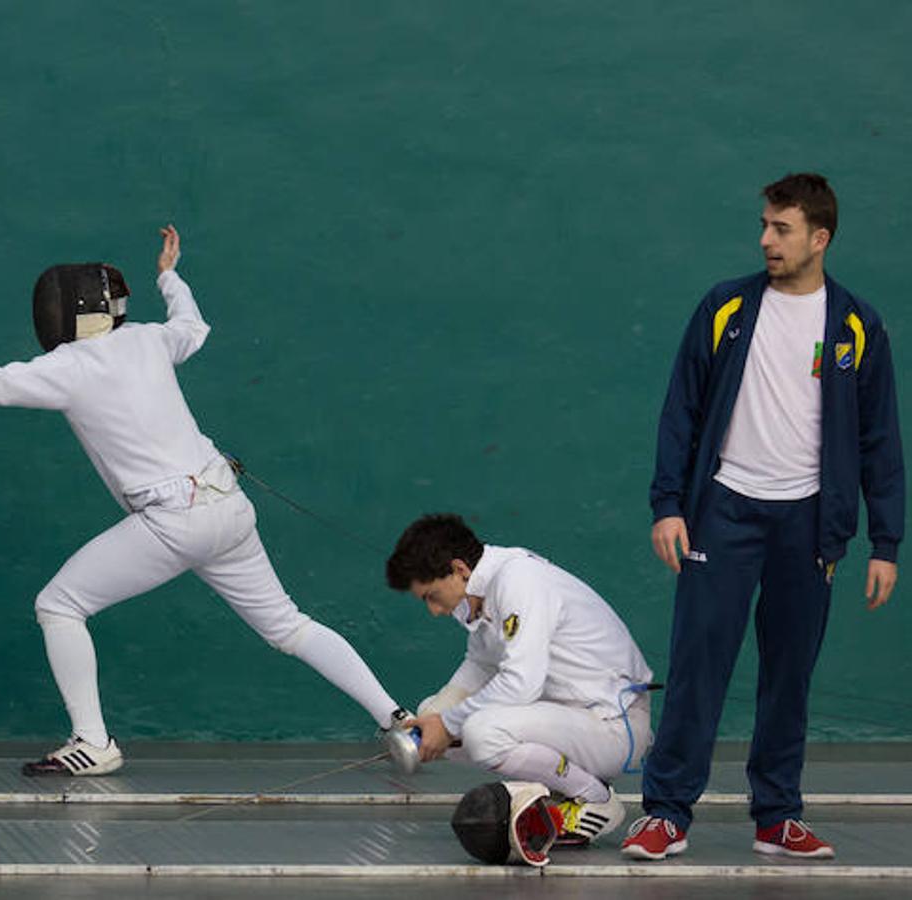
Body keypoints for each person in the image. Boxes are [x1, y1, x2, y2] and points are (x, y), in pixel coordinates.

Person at [0, 225, 406, 775]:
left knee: (59, 606)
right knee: (287, 625)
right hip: (229, 508)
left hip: (175, 521)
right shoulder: (149, 340)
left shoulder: (69, 368)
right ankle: (396, 717)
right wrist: (170, 277)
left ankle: (93, 741)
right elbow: (192, 326)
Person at [625, 173, 904, 860]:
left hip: (809, 525)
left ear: (819, 237)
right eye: (763, 225)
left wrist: (884, 541)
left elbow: (878, 438)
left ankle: (776, 816)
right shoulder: (724, 308)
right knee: (698, 664)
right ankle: (666, 813)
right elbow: (679, 412)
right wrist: (668, 505)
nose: (764, 240)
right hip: (722, 512)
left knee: (789, 674)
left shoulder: (855, 327)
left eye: (780, 229)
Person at [384, 513, 654, 847]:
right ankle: (562, 787)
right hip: (572, 717)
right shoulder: (482, 591)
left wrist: (449, 723)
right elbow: (480, 664)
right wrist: (435, 718)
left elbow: (521, 683)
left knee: (482, 733)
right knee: (432, 714)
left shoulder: (519, 579)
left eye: (432, 596)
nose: (434, 611)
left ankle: (594, 798)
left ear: (459, 569)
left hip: (615, 725)